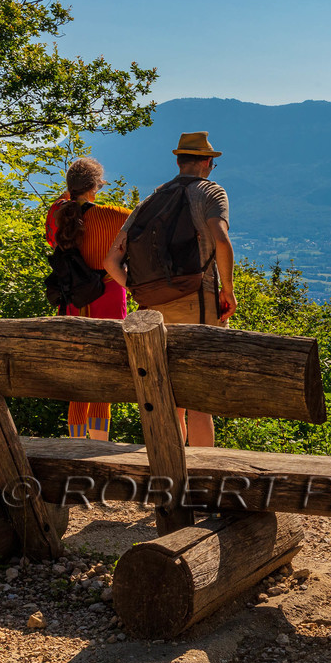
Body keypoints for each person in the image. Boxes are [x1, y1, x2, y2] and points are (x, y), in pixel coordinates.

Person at [104, 132, 236, 448]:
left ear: (179, 161)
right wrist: (228, 291)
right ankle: (201, 480)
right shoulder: (211, 193)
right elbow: (220, 240)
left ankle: (171, 474)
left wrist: (136, 287)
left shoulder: (151, 200)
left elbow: (111, 261)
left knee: (170, 402)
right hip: (198, 307)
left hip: (152, 314)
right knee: (199, 404)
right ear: (207, 162)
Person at [45, 157, 130, 439]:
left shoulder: (57, 214)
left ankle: (75, 442)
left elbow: (53, 237)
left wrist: (68, 197)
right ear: (95, 187)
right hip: (108, 295)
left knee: (77, 374)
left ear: (70, 188)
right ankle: (99, 444)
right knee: (104, 374)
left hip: (73, 300)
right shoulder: (116, 214)